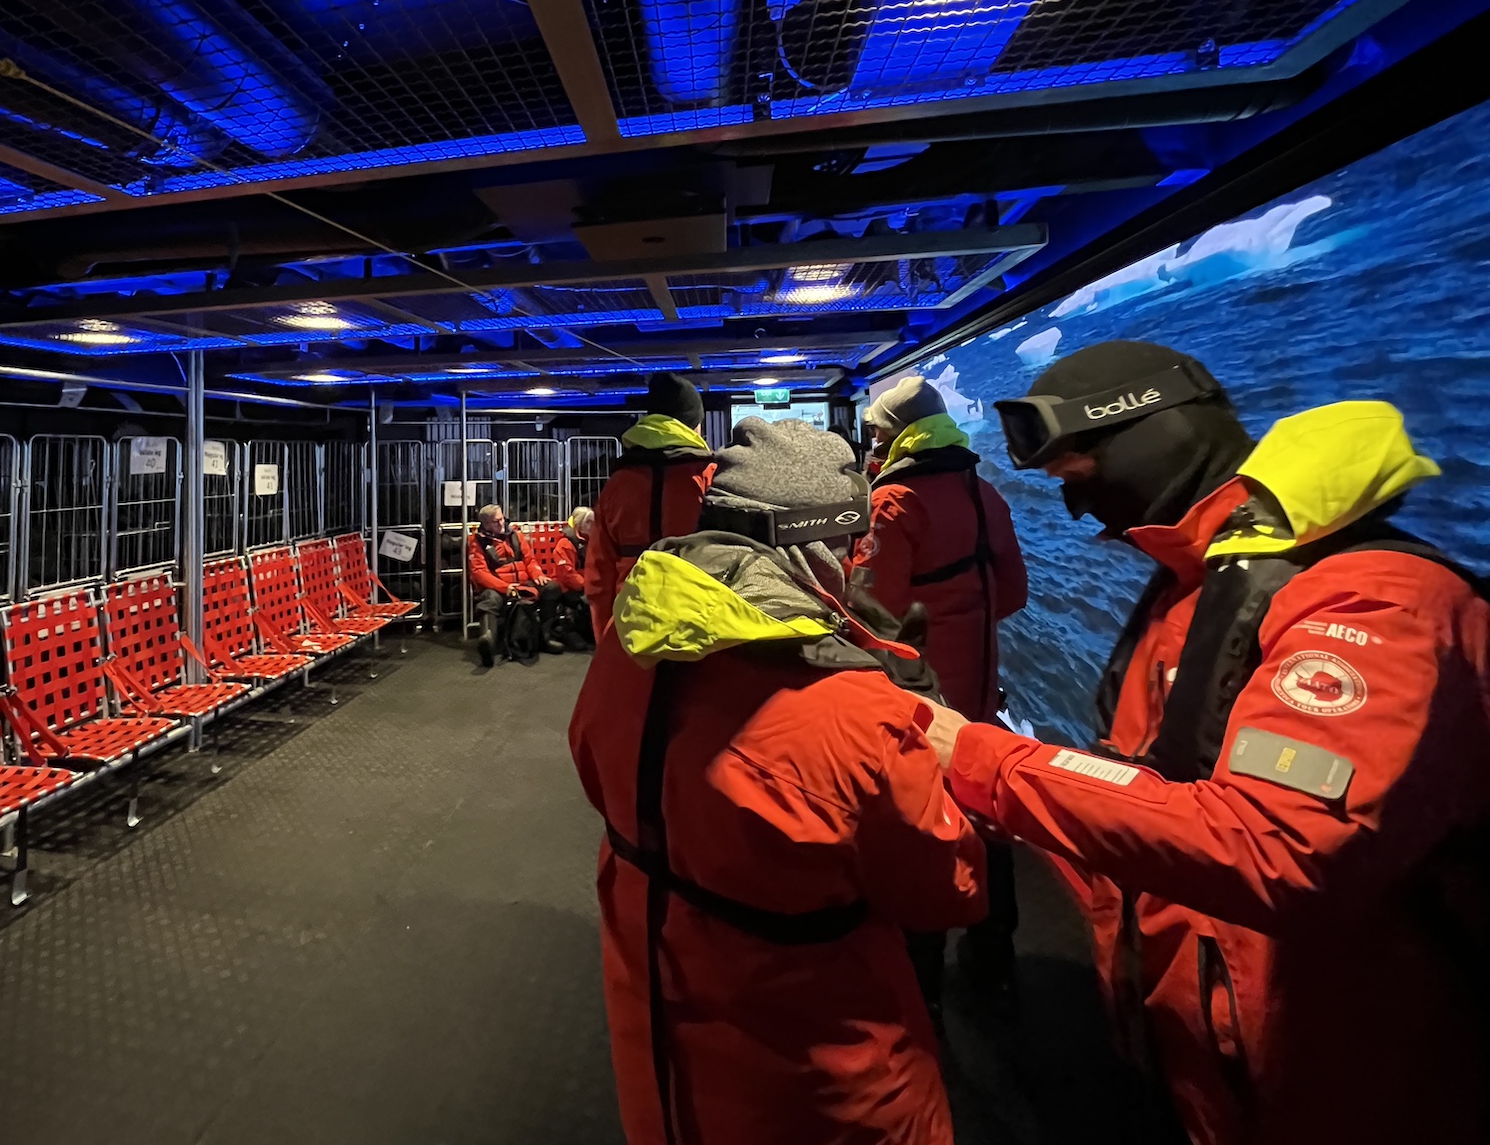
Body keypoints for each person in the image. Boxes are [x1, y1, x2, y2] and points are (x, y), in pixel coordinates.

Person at [919, 341, 1490, 1145]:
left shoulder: (1376, 600)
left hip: (1338, 1086)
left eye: (1081, 477)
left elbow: (1279, 845)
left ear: (1154, 435)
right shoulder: (1195, 586)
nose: (1080, 512)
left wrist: (983, 759)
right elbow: (1150, 782)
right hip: (1207, 1056)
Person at [569, 417, 987, 1145]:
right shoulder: (855, 709)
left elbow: (591, 762)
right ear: (818, 545)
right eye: (856, 544)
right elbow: (948, 890)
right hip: (820, 1082)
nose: (863, 559)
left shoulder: (623, 651)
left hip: (658, 1042)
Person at [849, 374, 1030, 1009]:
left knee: (919, 825)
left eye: (875, 432)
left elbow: (873, 612)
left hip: (917, 698)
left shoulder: (893, 503)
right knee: (985, 816)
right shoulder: (987, 496)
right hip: (980, 693)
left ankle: (920, 985)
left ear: (896, 435)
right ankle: (996, 959)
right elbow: (1012, 595)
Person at [585, 373, 717, 636]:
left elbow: (599, 572)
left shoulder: (618, 482)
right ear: (694, 425)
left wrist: (606, 638)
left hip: (632, 618)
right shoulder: (710, 475)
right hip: (702, 618)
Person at [467, 503, 563, 666]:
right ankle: (488, 640)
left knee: (552, 588)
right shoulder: (476, 542)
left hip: (524, 581)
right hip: (498, 586)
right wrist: (505, 587)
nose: (501, 523)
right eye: (496, 521)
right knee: (490, 599)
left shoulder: (515, 534)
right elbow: (479, 573)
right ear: (486, 524)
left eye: (501, 518)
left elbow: (529, 559)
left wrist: (538, 574)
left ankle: (544, 638)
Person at [545, 506, 596, 650]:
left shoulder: (595, 541)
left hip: (589, 585)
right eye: (589, 523)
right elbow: (567, 574)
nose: (592, 526)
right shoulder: (566, 543)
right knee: (587, 602)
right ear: (579, 524)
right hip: (570, 587)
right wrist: (587, 586)